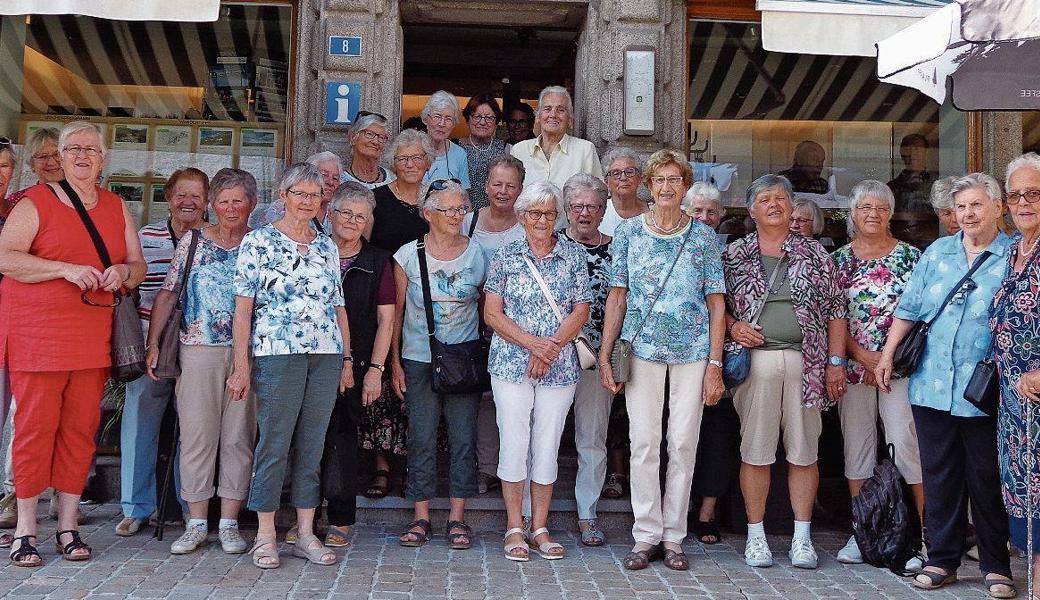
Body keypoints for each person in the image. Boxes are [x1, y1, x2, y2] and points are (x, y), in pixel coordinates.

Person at [0, 121, 146, 566]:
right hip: (39, 336)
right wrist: (64, 269)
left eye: (91, 149)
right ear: (59, 157)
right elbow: (6, 258)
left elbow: (136, 264)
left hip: (91, 336)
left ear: (103, 159)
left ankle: (68, 523)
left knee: (81, 431)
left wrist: (121, 274)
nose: (82, 155)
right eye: (73, 148)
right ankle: (27, 527)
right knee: (34, 429)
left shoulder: (115, 206)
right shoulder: (36, 202)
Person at [875, 173, 1014, 597]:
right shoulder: (938, 251)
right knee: (939, 474)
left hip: (984, 386)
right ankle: (941, 559)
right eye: (961, 207)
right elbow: (910, 308)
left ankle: (996, 565)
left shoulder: (1015, 254)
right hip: (932, 382)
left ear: (997, 208)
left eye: (976, 205)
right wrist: (886, 353)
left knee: (986, 475)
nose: (967, 214)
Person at [599, 149, 725, 571]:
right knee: (644, 442)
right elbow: (617, 296)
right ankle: (645, 533)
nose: (667, 188)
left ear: (685, 186)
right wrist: (604, 353)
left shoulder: (704, 237)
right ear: (648, 186)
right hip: (641, 350)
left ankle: (674, 536)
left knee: (684, 441)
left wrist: (715, 363)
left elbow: (716, 305)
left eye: (675, 180)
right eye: (660, 180)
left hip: (692, 352)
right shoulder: (630, 233)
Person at [230, 163, 353, 569]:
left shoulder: (326, 245)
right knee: (275, 442)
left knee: (313, 445)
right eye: (298, 193)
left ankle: (304, 532)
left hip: (325, 353)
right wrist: (241, 366)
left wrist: (348, 359)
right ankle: (265, 534)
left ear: (323, 202)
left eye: (314, 195)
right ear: (282, 196)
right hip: (276, 352)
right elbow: (243, 308)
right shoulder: (258, 242)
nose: (306, 201)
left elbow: (338, 306)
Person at [723, 174, 847, 570]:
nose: (774, 204)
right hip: (755, 363)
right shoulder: (734, 254)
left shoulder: (816, 255)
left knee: (804, 453)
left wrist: (836, 363)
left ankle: (802, 538)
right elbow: (713, 303)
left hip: (807, 364)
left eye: (781, 198)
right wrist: (732, 326)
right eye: (765, 199)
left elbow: (836, 312)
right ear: (751, 209)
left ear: (793, 207)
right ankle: (756, 537)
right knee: (756, 452)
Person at [143, 168, 256, 555]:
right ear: (212, 205)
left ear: (252, 205)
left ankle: (228, 523)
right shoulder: (192, 241)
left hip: (248, 353)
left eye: (237, 201)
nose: (229, 209)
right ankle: (195, 522)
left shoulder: (261, 243)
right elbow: (169, 292)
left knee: (238, 437)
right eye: (222, 201)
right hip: (198, 349)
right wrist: (154, 342)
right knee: (197, 436)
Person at [484, 181, 590, 561]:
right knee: (513, 444)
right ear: (521, 216)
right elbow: (492, 313)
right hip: (511, 365)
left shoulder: (574, 256)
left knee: (546, 448)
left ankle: (540, 526)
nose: (542, 220)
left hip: (559, 366)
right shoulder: (505, 256)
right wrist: (533, 344)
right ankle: (515, 526)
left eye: (548, 213)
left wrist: (550, 349)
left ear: (557, 216)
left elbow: (582, 309)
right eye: (534, 213)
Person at [830, 180, 924, 567]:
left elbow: (919, 315)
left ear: (891, 213)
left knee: (906, 447)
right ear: (851, 214)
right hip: (853, 368)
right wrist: (863, 357)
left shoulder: (911, 259)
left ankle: (920, 536)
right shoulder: (836, 261)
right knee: (858, 449)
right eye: (865, 207)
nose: (873, 214)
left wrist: (884, 358)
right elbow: (831, 318)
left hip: (898, 369)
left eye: (881, 208)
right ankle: (863, 531)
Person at [390, 179, 485, 550]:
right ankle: (421, 516)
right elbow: (395, 314)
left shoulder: (478, 253)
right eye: (447, 209)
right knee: (422, 437)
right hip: (418, 358)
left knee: (464, 439)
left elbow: (484, 307)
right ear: (427, 214)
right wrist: (394, 364)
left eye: (461, 208)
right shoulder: (407, 255)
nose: (455, 216)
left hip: (464, 359)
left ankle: (458, 518)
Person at [116, 168, 208, 537]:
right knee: (140, 424)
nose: (188, 202)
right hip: (148, 344)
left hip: (198, 348)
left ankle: (191, 507)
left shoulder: (215, 238)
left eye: (196, 195)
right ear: (169, 197)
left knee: (194, 430)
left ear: (207, 201)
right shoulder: (146, 237)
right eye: (180, 194)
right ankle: (135, 507)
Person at [315, 181, 396, 547]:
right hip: (310, 357)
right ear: (330, 213)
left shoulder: (378, 261)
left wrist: (376, 371)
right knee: (306, 439)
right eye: (345, 212)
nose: (351, 221)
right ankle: (304, 514)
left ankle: (341, 517)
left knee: (342, 439)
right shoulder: (312, 251)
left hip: (358, 362)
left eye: (359, 216)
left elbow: (387, 320)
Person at [459, 155, 527, 494]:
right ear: (485, 187)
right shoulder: (467, 222)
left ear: (521, 190)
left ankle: (517, 467)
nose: (502, 191)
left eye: (510, 185)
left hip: (519, 327)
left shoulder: (528, 224)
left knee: (517, 400)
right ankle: (487, 467)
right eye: (496, 184)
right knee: (483, 397)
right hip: (472, 323)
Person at [682, 181, 741, 545]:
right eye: (697, 211)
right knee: (676, 434)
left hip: (719, 354)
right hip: (679, 352)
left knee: (718, 435)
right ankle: (675, 508)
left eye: (711, 211)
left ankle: (706, 513)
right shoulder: (671, 244)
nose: (704, 217)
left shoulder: (731, 254)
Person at [556, 173, 614, 547]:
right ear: (566, 209)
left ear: (604, 208)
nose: (584, 213)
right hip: (554, 355)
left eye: (592, 206)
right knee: (540, 436)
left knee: (592, 438)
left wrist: (611, 356)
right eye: (577, 206)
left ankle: (587, 513)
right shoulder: (550, 245)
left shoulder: (619, 248)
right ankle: (531, 512)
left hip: (599, 358)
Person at [992, 153, 1040, 592]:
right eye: (1016, 194)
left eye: (1034, 193)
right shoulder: (1012, 250)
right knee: (1025, 491)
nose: (1024, 202)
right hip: (1014, 399)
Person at [510, 86, 604, 190]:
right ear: (537, 117)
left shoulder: (585, 150)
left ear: (569, 119)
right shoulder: (519, 150)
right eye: (547, 109)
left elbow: (598, 194)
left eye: (561, 110)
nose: (553, 115)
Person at [367, 129, 433, 254]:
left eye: (417, 158)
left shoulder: (437, 200)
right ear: (393, 165)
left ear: (428, 162)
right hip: (385, 272)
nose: (410, 164)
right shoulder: (374, 199)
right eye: (402, 159)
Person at [263, 151, 342, 230]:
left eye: (335, 178)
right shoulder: (281, 208)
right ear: (308, 175)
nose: (330, 182)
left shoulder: (337, 211)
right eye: (324, 175)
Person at [460, 93, 509, 211]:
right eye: (477, 116)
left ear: (496, 122)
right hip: (461, 216)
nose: (482, 122)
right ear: (468, 119)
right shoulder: (456, 148)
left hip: (496, 216)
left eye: (489, 118)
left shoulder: (505, 149)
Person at [420, 91, 470, 189]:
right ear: (425, 119)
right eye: (437, 116)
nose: (442, 124)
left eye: (448, 119)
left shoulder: (459, 154)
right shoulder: (412, 149)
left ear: (454, 124)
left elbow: (464, 197)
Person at [599, 147, 646, 236]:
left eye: (629, 172)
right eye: (616, 173)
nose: (623, 178)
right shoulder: (598, 212)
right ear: (606, 182)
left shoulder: (652, 213)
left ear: (639, 178)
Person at [343, 112, 394, 189]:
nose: (375, 142)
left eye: (381, 137)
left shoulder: (392, 180)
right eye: (369, 134)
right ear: (353, 137)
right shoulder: (340, 182)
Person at [888, 134, 935, 214]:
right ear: (902, 155)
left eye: (917, 149)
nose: (912, 154)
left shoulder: (937, 184)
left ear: (926, 153)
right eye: (908, 150)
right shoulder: (891, 188)